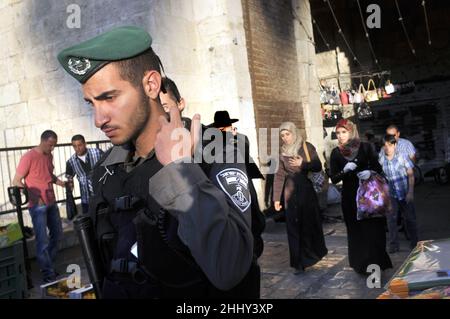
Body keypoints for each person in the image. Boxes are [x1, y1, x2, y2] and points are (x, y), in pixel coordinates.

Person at [57, 26, 258, 298]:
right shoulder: (106, 168)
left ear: (150, 85)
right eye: (91, 103)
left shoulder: (215, 150)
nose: (98, 119)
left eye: (109, 97)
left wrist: (181, 170)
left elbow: (229, 268)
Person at [329, 119, 392, 274]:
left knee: (373, 231)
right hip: (350, 198)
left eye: (344, 132)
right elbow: (334, 178)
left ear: (352, 131)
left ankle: (376, 263)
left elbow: (378, 168)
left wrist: (370, 172)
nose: (341, 136)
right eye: (338, 133)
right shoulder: (336, 152)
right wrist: (344, 170)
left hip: (369, 194)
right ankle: (361, 265)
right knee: (356, 232)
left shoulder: (366, 147)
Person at [208, 110, 266, 258]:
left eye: (225, 128)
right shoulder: (211, 142)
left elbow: (242, 150)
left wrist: (230, 137)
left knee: (251, 213)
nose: (222, 132)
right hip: (223, 186)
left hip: (243, 180)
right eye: (220, 129)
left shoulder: (240, 139)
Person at [272, 122, 328, 274]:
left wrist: (303, 163)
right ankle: (298, 263)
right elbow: (279, 176)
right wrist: (276, 199)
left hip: (305, 191)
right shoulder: (281, 152)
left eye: (287, 134)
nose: (285, 138)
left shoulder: (306, 146)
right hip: (289, 192)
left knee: (308, 224)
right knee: (293, 227)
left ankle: (311, 255)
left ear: (294, 133)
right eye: (282, 135)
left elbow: (317, 166)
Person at [12, 130, 66, 283]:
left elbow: (49, 175)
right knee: (42, 240)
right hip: (37, 206)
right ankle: (48, 274)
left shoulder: (49, 155)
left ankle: (46, 265)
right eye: (50, 145)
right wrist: (35, 197)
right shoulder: (28, 157)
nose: (52, 148)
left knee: (58, 235)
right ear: (42, 141)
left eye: (54, 145)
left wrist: (62, 183)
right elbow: (16, 181)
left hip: (51, 202)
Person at [379, 134, 419, 253]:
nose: (387, 148)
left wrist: (410, 192)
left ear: (395, 145)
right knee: (391, 220)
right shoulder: (381, 159)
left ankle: (415, 243)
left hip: (405, 192)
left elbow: (411, 174)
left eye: (390, 145)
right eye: (385, 145)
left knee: (410, 219)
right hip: (391, 194)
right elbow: (380, 176)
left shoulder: (402, 156)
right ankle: (394, 245)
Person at [65, 134, 104, 214]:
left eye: (80, 145)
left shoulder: (97, 152)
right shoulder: (71, 162)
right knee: (89, 222)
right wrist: (69, 197)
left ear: (85, 144)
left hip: (102, 195)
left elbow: (107, 167)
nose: (77, 148)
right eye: (75, 146)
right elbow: (70, 179)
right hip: (86, 199)